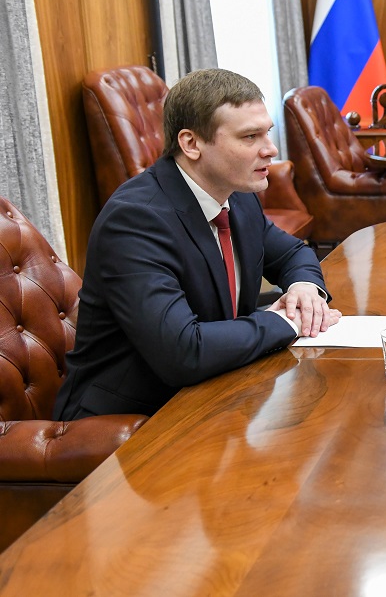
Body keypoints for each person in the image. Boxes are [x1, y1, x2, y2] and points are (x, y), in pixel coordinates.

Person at [55, 69, 340, 419]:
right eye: (250, 137)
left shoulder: (236, 194)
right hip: (128, 421)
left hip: (217, 392)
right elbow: (183, 352)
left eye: (267, 132)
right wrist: (289, 322)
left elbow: (293, 253)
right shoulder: (134, 220)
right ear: (191, 144)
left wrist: (305, 289)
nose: (271, 149)